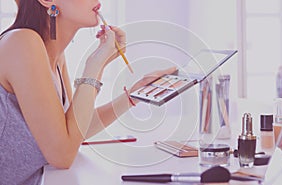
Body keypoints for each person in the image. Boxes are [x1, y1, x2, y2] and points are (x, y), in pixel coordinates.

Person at [0, 0, 176, 184]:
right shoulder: (21, 42)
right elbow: (62, 156)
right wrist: (95, 64)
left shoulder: (54, 54)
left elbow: (73, 130)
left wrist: (133, 94)